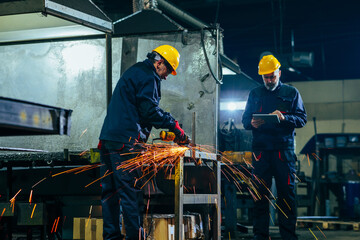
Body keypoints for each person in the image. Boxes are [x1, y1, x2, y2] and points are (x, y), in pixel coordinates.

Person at [98, 45, 189, 240]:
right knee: (130, 195)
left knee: (110, 194)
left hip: (107, 140)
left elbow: (140, 109)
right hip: (126, 144)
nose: (166, 77)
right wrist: (174, 125)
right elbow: (149, 111)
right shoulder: (150, 76)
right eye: (167, 71)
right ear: (159, 63)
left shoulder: (135, 70)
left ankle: (111, 237)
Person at [242, 54, 307, 240]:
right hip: (261, 152)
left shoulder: (291, 93)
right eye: (266, 77)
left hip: (282, 152)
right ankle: (260, 236)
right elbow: (245, 120)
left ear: (279, 72)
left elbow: (302, 119)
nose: (269, 80)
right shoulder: (255, 94)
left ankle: (288, 236)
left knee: (287, 196)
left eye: (272, 76)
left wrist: (285, 118)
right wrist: (251, 123)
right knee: (259, 195)